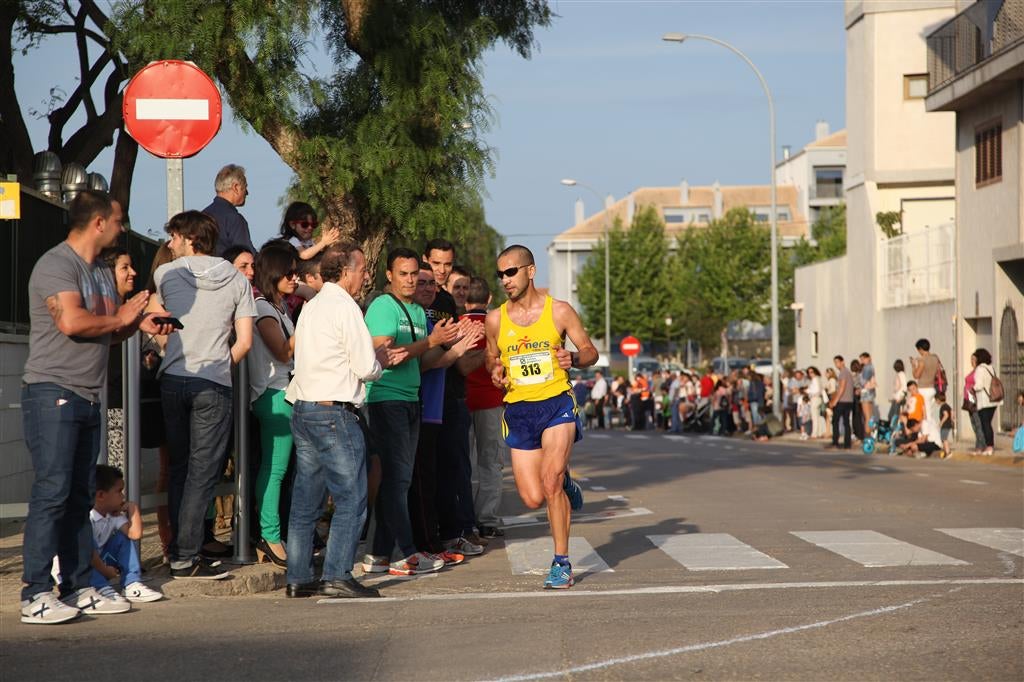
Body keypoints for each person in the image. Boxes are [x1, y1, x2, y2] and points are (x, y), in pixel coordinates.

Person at [20, 190, 174, 625]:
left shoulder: (102, 274)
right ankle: (35, 592)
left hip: (88, 396)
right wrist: (121, 318)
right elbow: (70, 322)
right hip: (53, 393)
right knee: (51, 493)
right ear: (99, 223)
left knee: (78, 497)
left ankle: (79, 585)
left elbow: (108, 330)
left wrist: (137, 324)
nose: (123, 227)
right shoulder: (57, 265)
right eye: (119, 219)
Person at [284, 242, 407, 599]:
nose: (365, 275)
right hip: (334, 411)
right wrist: (380, 360)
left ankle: (299, 576)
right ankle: (337, 574)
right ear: (347, 271)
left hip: (304, 405)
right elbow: (365, 368)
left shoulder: (313, 306)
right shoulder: (345, 307)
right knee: (352, 498)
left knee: (306, 500)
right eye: (362, 269)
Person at [485, 244, 598, 589]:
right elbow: (492, 358)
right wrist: (495, 372)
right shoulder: (496, 319)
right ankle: (565, 482)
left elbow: (590, 351)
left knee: (548, 481)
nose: (506, 279)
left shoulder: (559, 311)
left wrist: (574, 360)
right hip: (519, 411)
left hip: (556, 404)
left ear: (530, 271)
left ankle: (561, 562)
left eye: (512, 272)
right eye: (501, 273)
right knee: (533, 497)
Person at [155, 210, 256, 580]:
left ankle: (180, 552)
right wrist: (218, 363)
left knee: (180, 468)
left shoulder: (164, 274)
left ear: (190, 239)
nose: (170, 244)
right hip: (213, 382)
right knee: (203, 472)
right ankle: (186, 554)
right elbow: (244, 341)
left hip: (173, 379)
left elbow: (161, 324)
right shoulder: (237, 279)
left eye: (175, 237)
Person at [361, 248, 460, 576]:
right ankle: (406, 554)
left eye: (414, 273)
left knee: (396, 481)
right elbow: (386, 355)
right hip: (385, 399)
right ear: (389, 275)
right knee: (399, 479)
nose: (409, 279)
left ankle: (377, 556)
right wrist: (431, 342)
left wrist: (452, 347)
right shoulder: (382, 306)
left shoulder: (418, 311)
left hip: (411, 398)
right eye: (402, 273)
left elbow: (423, 362)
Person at [422, 239, 486, 552]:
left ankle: (455, 530)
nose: (441, 271)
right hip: (421, 395)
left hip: (448, 396)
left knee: (454, 467)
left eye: (447, 265)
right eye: (436, 264)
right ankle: (438, 533)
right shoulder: (401, 302)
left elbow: (455, 361)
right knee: (430, 471)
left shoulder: (445, 302)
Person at [249, 246, 299, 568]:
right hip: (273, 394)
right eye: (289, 272)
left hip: (285, 392)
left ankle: (270, 535)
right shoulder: (264, 308)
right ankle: (269, 535)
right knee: (275, 470)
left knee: (281, 470)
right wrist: (308, 323)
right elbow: (282, 352)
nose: (295, 278)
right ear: (273, 273)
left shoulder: (279, 307)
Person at [464, 277, 508, 538]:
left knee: (463, 463)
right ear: (489, 299)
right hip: (492, 401)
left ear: (465, 300)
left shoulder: (458, 325)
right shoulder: (497, 325)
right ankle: (487, 519)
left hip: (464, 400)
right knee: (491, 462)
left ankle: (465, 515)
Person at [89, 465, 163, 604]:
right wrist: (105, 571)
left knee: (124, 537)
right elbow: (89, 553)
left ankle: (131, 583)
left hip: (100, 564)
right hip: (83, 566)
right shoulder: (87, 517)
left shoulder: (113, 515)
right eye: (119, 492)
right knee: (87, 544)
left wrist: (133, 508)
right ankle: (100, 587)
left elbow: (134, 534)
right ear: (101, 495)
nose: (123, 496)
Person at [99, 246, 137, 471]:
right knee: (115, 474)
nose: (133, 272)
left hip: (126, 405)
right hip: (110, 407)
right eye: (125, 267)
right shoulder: (101, 311)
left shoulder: (128, 310)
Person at [203, 164, 254, 257]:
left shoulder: (201, 216)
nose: (247, 193)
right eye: (245, 187)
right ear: (236, 187)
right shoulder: (233, 218)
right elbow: (246, 254)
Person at [971, 348, 1001, 456]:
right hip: (993, 400)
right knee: (987, 424)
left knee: (985, 424)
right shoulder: (990, 368)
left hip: (984, 401)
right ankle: (989, 446)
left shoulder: (979, 369)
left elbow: (979, 385)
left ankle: (989, 446)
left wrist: (972, 388)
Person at [910, 338, 942, 433]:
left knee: (924, 414)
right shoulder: (935, 358)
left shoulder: (922, 360)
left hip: (923, 388)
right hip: (932, 388)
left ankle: (927, 434)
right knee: (930, 413)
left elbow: (916, 375)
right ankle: (931, 434)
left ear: (920, 349)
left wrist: (913, 366)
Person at [828, 355, 854, 450]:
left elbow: (842, 388)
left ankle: (835, 443)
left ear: (842, 362)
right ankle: (847, 444)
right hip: (849, 401)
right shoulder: (848, 372)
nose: (836, 364)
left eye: (837, 362)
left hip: (842, 401)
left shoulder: (843, 372)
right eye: (835, 362)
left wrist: (834, 401)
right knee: (846, 422)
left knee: (836, 421)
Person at [963, 352, 986, 453]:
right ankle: (979, 443)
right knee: (973, 423)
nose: (971, 361)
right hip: (968, 399)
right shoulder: (973, 371)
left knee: (977, 422)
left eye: (973, 359)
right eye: (971, 359)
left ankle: (980, 445)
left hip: (974, 399)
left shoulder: (979, 371)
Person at [859, 352, 877, 432]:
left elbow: (864, 382)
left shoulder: (866, 368)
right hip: (871, 392)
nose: (862, 361)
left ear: (868, 358)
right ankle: (871, 432)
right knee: (870, 415)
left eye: (863, 359)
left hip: (865, 393)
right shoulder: (872, 367)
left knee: (867, 416)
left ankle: (867, 433)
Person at [806, 367, 825, 439]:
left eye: (812, 372)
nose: (810, 374)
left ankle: (814, 433)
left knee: (814, 417)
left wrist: (808, 391)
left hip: (815, 398)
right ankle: (818, 432)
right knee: (817, 416)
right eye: (809, 372)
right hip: (817, 399)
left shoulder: (815, 379)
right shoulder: (818, 379)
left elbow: (816, 390)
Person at [936, 392, 952, 458]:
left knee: (944, 439)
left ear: (938, 400)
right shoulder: (947, 406)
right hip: (948, 424)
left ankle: (948, 452)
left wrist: (941, 423)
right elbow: (952, 414)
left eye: (936, 400)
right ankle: (946, 452)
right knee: (943, 438)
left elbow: (946, 415)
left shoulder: (943, 407)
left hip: (945, 425)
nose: (936, 402)